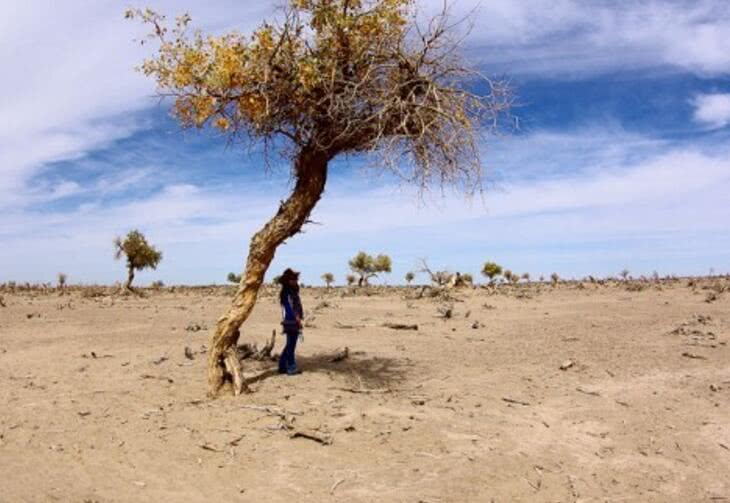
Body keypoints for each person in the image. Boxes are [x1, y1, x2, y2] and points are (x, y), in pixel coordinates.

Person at [278, 268, 304, 375]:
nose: (295, 281)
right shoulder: (287, 292)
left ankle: (282, 366)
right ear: (287, 281)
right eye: (292, 279)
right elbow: (289, 307)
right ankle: (291, 367)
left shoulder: (292, 291)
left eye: (295, 279)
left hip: (292, 320)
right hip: (290, 321)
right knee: (291, 345)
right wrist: (297, 318)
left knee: (289, 344)